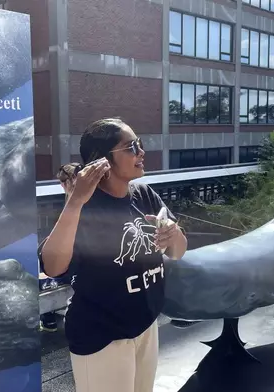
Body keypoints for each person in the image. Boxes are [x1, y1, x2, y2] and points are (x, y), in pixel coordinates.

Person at [39, 118, 188, 392]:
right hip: (102, 337)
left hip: (146, 326)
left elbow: (178, 252)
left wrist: (173, 235)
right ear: (104, 161)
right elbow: (52, 266)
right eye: (131, 147)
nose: (141, 152)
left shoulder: (145, 194)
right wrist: (74, 202)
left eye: (140, 144)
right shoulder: (85, 206)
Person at [39, 163, 81, 332]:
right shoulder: (94, 200)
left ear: (65, 184)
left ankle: (48, 318)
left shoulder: (71, 207)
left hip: (74, 269)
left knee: (45, 278)